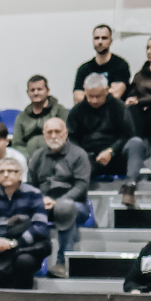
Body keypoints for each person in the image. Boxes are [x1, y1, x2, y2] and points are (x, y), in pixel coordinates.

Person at [66, 73, 151, 207]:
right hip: (90, 159)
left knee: (136, 143)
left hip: (116, 156)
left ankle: (129, 187)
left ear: (106, 91)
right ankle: (74, 197)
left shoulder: (118, 107)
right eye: (90, 96)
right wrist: (83, 154)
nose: (94, 100)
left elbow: (129, 134)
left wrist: (111, 151)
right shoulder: (77, 111)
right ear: (85, 91)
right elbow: (71, 138)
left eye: (98, 96)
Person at [26, 118, 90, 278]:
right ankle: (26, 263)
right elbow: (30, 185)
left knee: (64, 207)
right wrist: (40, 200)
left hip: (76, 205)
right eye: (49, 132)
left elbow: (81, 186)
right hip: (44, 204)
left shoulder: (79, 155)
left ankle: (62, 263)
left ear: (66, 133)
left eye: (57, 131)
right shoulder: (38, 156)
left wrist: (57, 202)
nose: (53, 136)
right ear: (44, 135)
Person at [0, 156, 50, 289]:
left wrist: (12, 243)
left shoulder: (33, 194)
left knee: (23, 261)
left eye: (10, 171)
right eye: (1, 171)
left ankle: (23, 299)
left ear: (20, 174)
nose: (5, 174)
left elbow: (40, 227)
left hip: (25, 249)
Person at [71, 24, 131, 103]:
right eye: (96, 38)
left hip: (113, 109)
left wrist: (89, 94)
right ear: (93, 41)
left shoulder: (120, 65)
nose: (100, 41)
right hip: (88, 110)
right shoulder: (84, 69)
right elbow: (77, 98)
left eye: (104, 38)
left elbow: (116, 94)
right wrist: (104, 94)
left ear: (111, 41)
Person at [12, 75, 68, 156]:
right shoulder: (21, 117)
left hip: (56, 156)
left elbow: (67, 137)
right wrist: (28, 158)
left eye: (39, 89)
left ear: (47, 90)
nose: (36, 93)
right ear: (27, 92)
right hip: (29, 158)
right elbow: (17, 144)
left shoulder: (60, 111)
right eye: (32, 90)